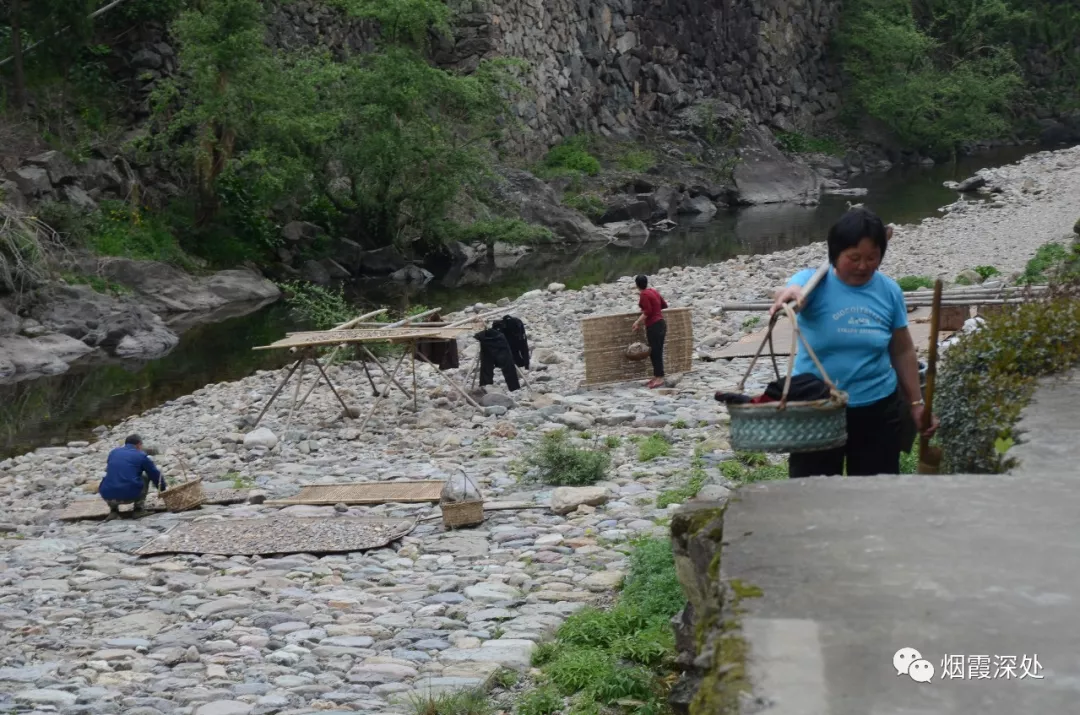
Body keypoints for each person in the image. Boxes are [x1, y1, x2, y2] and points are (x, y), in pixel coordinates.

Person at [769, 208, 938, 477]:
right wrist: (787, 294)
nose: (863, 266)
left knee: (874, 496)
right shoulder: (813, 283)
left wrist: (916, 405)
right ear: (835, 254)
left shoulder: (889, 291)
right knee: (814, 494)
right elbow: (792, 291)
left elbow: (902, 349)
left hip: (877, 409)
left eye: (873, 257)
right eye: (854, 257)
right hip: (818, 410)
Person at [99, 434, 165, 519]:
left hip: (108, 497)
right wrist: (162, 489)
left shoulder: (113, 452)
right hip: (129, 496)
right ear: (138, 444)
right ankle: (138, 510)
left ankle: (114, 511)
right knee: (145, 476)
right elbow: (155, 474)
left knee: (109, 475)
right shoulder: (141, 456)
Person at [632, 274, 668, 389]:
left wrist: (637, 322)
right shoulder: (653, 291)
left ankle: (660, 378)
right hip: (661, 323)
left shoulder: (644, 294)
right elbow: (664, 305)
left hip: (654, 326)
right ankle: (657, 376)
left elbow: (647, 311)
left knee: (655, 352)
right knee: (656, 351)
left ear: (637, 285)